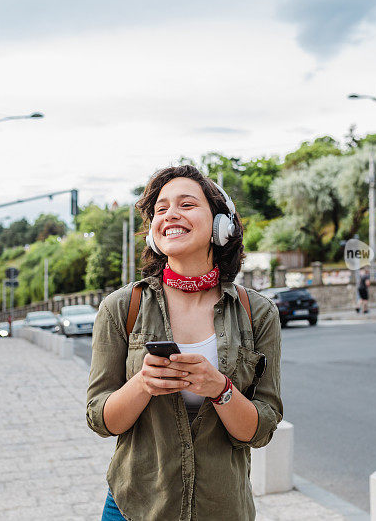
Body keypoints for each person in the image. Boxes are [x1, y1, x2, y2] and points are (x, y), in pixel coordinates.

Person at [86, 165, 283, 521]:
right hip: (134, 507)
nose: (170, 215)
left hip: (222, 508)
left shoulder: (258, 312)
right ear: (153, 233)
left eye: (187, 204)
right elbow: (101, 420)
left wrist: (220, 389)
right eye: (161, 209)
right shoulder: (121, 307)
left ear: (221, 225)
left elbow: (261, 429)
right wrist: (143, 384)